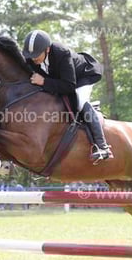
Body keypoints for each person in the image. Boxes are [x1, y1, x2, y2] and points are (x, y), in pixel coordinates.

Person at [22, 30, 113, 162]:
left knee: (80, 101)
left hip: (82, 76)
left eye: (36, 55)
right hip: (60, 79)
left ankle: (102, 146)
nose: (33, 58)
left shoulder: (61, 53)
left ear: (47, 49)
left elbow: (69, 86)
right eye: (31, 55)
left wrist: (44, 82)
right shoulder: (30, 57)